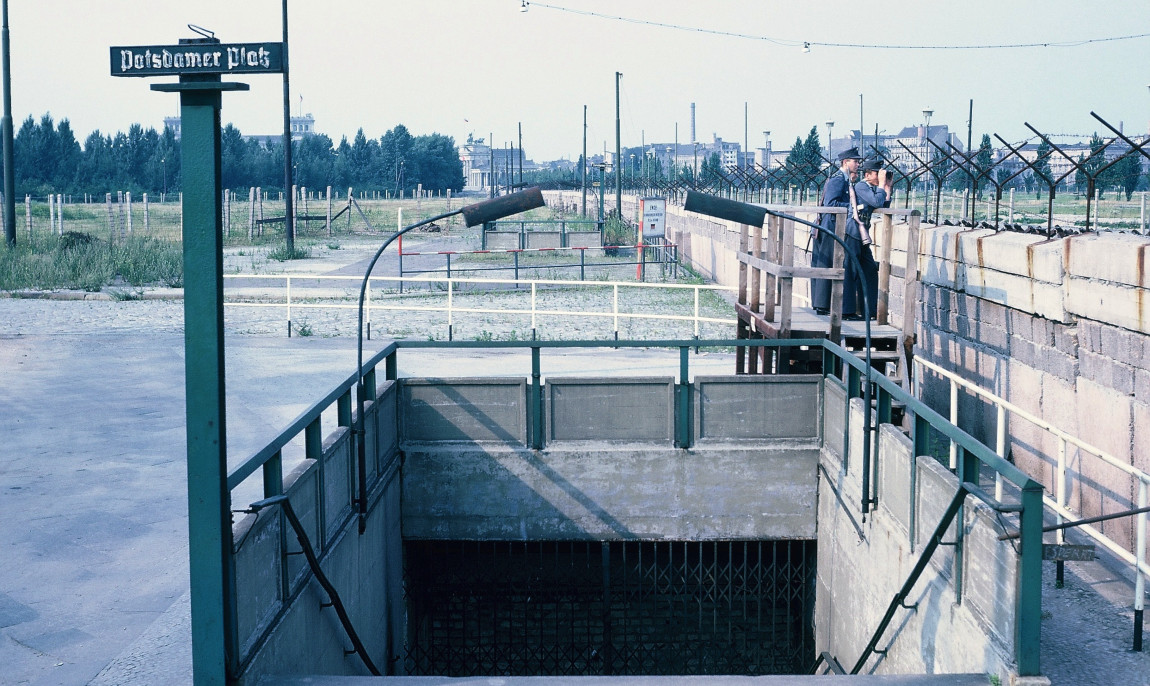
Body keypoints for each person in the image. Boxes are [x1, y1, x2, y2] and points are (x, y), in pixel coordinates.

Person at [811, 147, 862, 316]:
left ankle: (823, 304)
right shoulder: (838, 180)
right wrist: (852, 207)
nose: (858, 164)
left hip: (833, 225)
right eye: (855, 161)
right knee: (826, 263)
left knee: (830, 264)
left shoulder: (844, 180)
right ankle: (821, 305)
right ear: (846, 162)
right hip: (829, 226)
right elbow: (830, 205)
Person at [849, 158, 893, 319]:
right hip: (853, 233)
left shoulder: (871, 188)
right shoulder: (861, 186)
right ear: (867, 175)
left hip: (862, 235)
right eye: (877, 173)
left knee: (870, 272)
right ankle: (848, 311)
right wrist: (881, 185)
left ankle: (870, 310)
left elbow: (883, 206)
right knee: (852, 272)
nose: (880, 175)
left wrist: (887, 187)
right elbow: (876, 201)